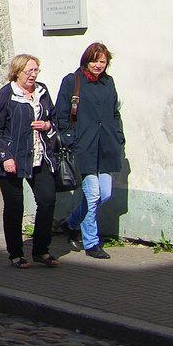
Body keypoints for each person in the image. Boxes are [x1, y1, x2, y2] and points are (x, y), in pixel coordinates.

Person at [57, 42, 125, 259]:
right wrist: (71, 139)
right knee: (93, 194)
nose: (98, 65)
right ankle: (91, 243)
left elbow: (115, 112)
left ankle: (71, 223)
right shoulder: (72, 81)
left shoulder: (108, 82)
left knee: (104, 194)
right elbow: (61, 114)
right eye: (94, 61)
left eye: (102, 61)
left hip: (105, 147)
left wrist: (118, 136)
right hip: (83, 148)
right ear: (86, 60)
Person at [0, 54, 58, 269]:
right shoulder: (7, 94)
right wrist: (5, 156)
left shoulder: (42, 91)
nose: (33, 75)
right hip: (12, 159)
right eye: (29, 71)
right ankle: (16, 254)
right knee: (14, 207)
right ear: (17, 72)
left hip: (38, 156)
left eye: (36, 70)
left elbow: (53, 117)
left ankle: (41, 250)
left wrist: (47, 126)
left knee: (47, 201)